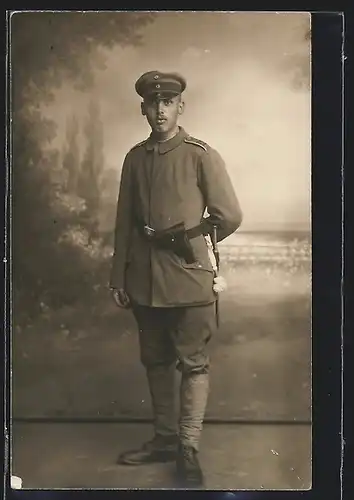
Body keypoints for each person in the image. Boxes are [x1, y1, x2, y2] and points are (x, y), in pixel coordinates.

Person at [109, 70, 243, 488]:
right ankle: (165, 439)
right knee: (156, 361)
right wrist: (119, 276)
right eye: (153, 103)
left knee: (193, 363)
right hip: (145, 281)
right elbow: (124, 222)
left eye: (168, 102)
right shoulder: (134, 157)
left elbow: (229, 216)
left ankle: (187, 448)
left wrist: (186, 237)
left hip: (188, 279)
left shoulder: (201, 154)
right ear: (144, 108)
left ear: (180, 107)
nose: (160, 109)